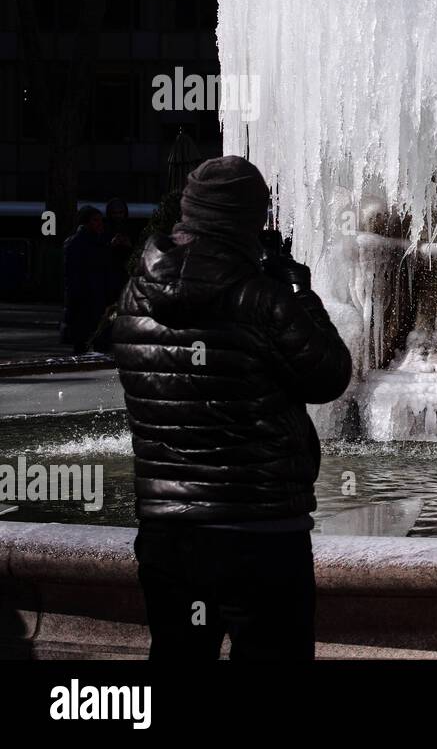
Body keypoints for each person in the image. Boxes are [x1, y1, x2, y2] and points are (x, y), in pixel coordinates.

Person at [112, 156, 353, 660]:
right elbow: (328, 375)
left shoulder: (138, 296)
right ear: (251, 219)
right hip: (259, 531)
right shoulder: (261, 298)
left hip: (168, 531)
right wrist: (299, 293)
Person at [61, 205, 111, 353]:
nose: (99, 224)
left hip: (95, 297)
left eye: (100, 220)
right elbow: (73, 274)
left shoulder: (98, 241)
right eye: (95, 220)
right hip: (84, 299)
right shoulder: (77, 243)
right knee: (83, 341)